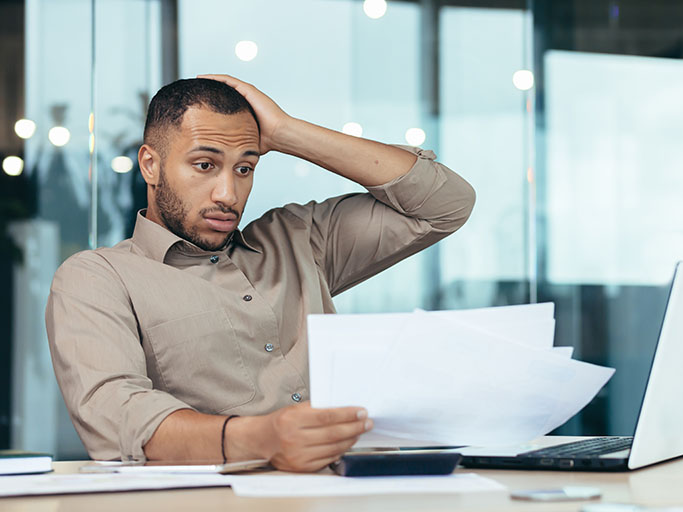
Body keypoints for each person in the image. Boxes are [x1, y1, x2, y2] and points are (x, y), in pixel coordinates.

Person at [45, 75, 475, 472]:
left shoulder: (300, 239)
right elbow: (116, 415)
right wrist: (262, 438)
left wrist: (288, 131)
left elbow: (445, 205)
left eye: (245, 168)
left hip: (376, 486)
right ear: (151, 165)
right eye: (205, 165)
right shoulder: (98, 277)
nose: (228, 194)